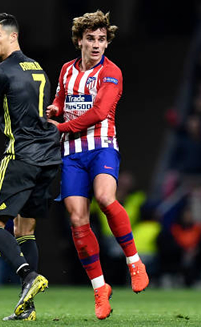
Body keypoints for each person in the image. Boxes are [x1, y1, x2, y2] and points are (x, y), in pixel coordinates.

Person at [46, 10, 149, 319]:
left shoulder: (111, 72)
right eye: (90, 38)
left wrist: (59, 128)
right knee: (77, 219)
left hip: (102, 147)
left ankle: (134, 262)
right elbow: (62, 104)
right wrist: (53, 110)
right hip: (72, 155)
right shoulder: (66, 70)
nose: (96, 45)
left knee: (105, 198)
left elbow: (100, 112)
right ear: (79, 40)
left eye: (102, 39)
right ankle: (100, 288)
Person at [0, 13, 61, 321]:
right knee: (25, 230)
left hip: (21, 156)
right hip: (49, 157)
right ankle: (28, 307)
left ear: (13, 36)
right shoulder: (37, 68)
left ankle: (27, 275)